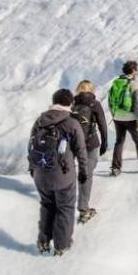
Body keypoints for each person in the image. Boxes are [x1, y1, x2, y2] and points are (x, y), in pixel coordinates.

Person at [28, 88, 88, 256]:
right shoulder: (71, 123)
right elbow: (81, 151)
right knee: (65, 208)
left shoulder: (40, 121)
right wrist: (83, 172)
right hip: (63, 175)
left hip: (41, 173)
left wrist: (33, 169)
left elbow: (31, 145)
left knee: (47, 205)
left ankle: (43, 241)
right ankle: (61, 245)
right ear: (70, 103)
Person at [108, 60, 138, 176]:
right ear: (133, 70)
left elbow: (110, 100)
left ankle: (115, 167)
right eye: (136, 70)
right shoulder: (135, 84)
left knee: (119, 141)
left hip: (117, 117)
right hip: (131, 118)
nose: (137, 72)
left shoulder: (116, 82)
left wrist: (114, 114)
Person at [72, 80, 107, 224]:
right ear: (92, 90)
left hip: (74, 144)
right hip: (91, 143)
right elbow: (102, 124)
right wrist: (104, 141)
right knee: (87, 173)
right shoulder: (95, 104)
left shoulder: (72, 104)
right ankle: (84, 209)